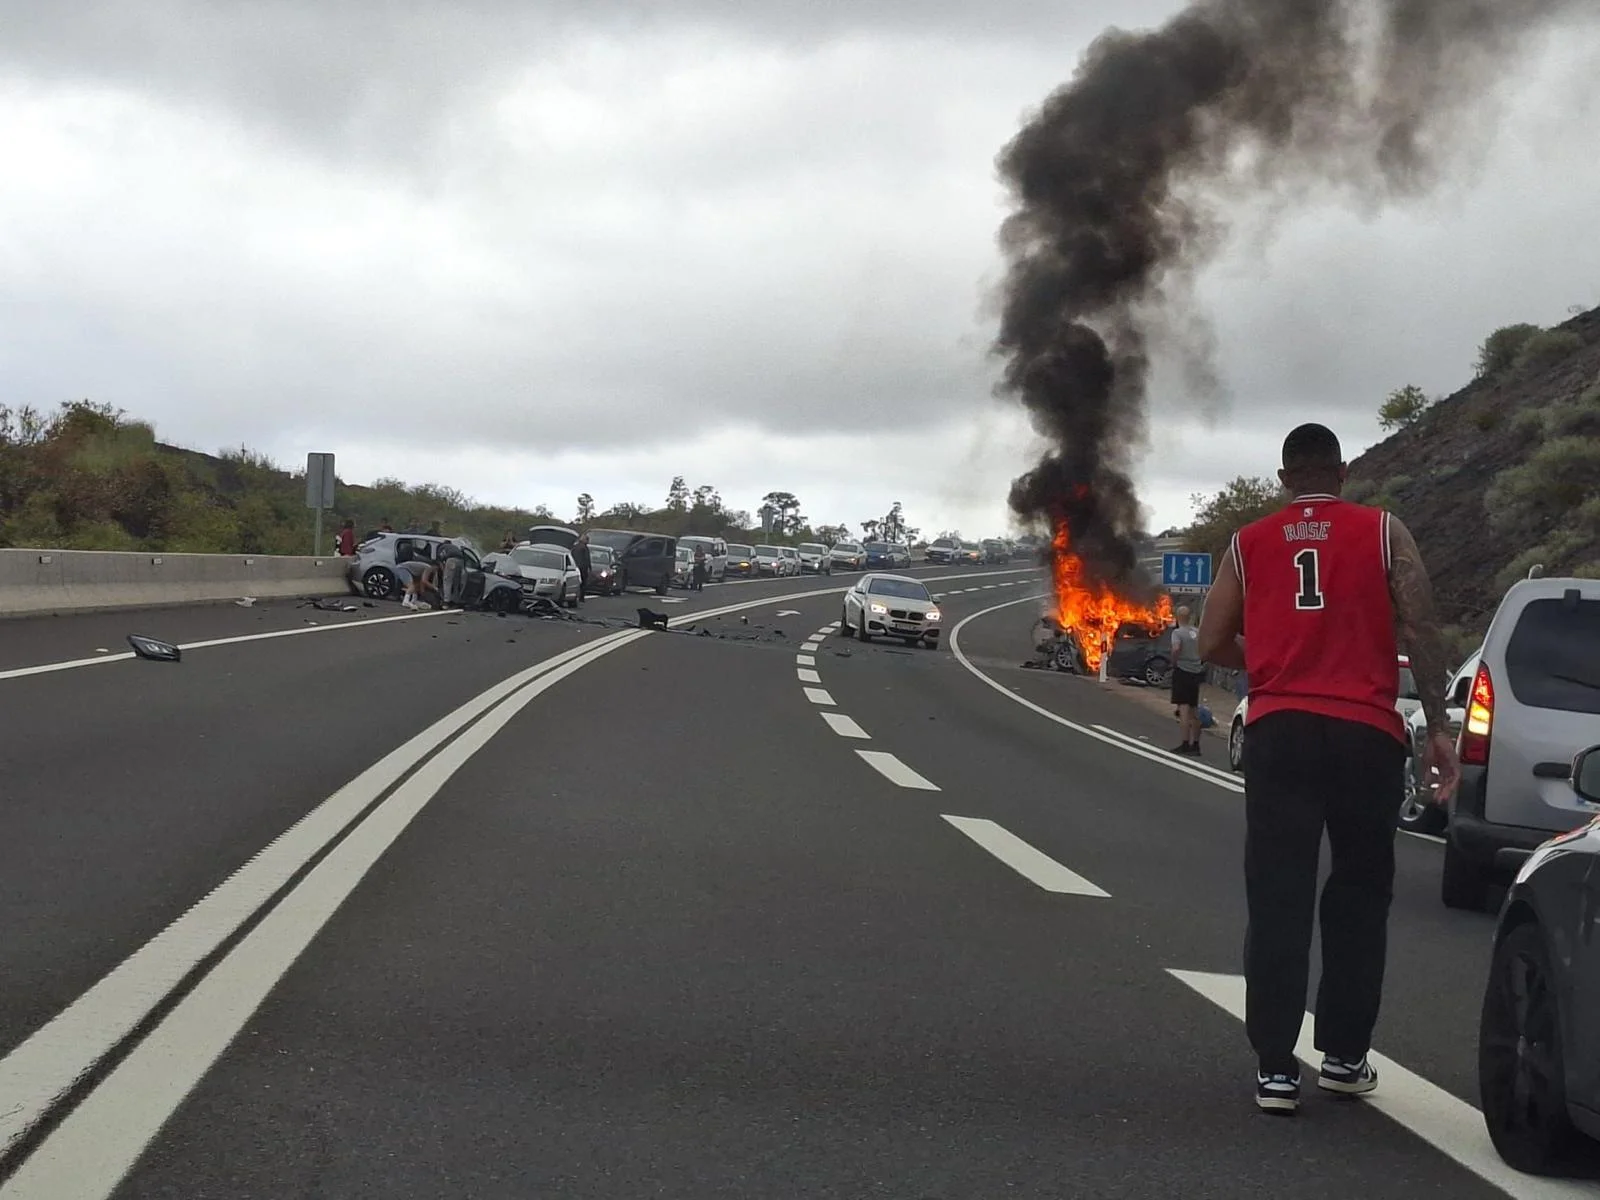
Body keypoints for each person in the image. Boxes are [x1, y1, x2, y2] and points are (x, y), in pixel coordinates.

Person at [1198, 422, 1459, 1116]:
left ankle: (1276, 1070)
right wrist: (1438, 730)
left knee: (1278, 895)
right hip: (1364, 734)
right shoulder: (1383, 533)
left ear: (1284, 479)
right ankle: (1343, 1057)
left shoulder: (1247, 544)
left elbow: (1211, 637)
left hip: (1280, 731)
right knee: (1358, 896)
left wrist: (1273, 664)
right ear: (1342, 473)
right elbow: (1424, 627)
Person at [1168, 606, 1205, 755]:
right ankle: (1195, 745)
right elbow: (1204, 649)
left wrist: (1174, 661)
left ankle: (1184, 743)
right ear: (1189, 617)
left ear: (1178, 617)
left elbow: (1176, 648)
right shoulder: (1197, 632)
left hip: (1182, 671)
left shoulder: (1177, 633)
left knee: (1183, 709)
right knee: (1194, 709)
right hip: (1195, 672)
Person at [573, 532, 592, 600]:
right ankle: (581, 597)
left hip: (575, 567)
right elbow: (587, 558)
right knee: (583, 582)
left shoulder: (575, 547)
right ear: (585, 540)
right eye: (587, 540)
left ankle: (575, 595)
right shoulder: (585, 548)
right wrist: (589, 567)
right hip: (583, 567)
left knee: (576, 582)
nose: (588, 541)